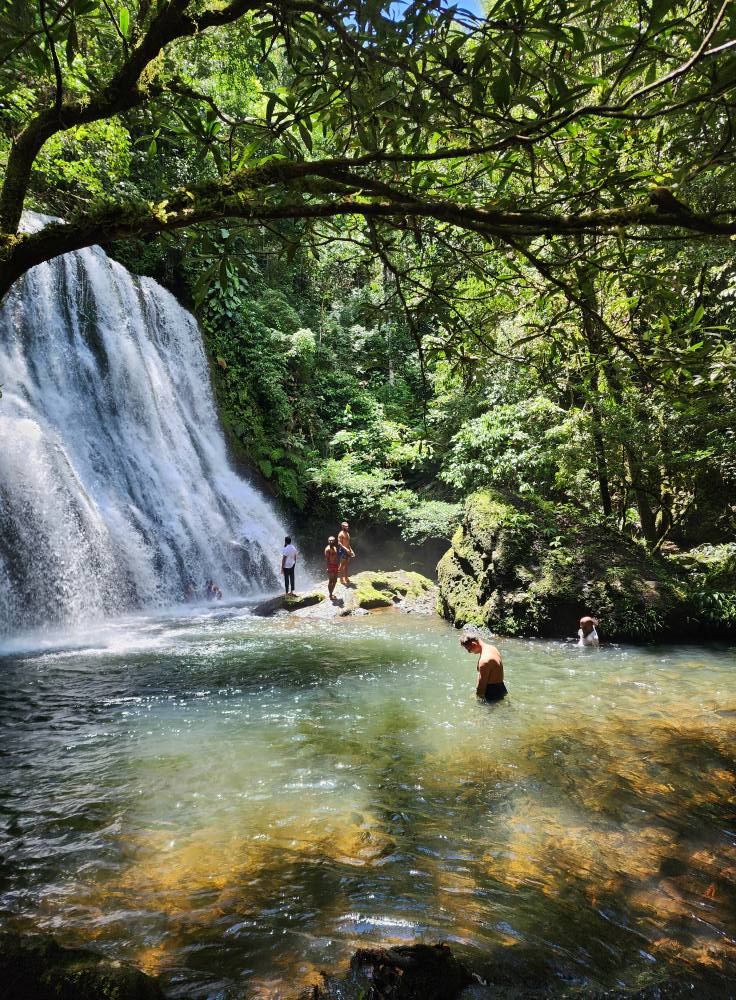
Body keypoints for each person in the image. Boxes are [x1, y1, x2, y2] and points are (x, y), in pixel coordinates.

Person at [459, 628, 507, 702]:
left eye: (468, 649)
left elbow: (482, 685)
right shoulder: (493, 648)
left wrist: (478, 698)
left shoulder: (484, 660)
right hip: (501, 688)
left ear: (474, 644)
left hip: (491, 693)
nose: (469, 652)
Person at [337, 521, 355, 586]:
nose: (347, 527)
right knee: (341, 565)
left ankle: (346, 578)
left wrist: (351, 550)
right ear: (342, 527)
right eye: (345, 526)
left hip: (347, 550)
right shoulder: (341, 534)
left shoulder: (347, 533)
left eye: (347, 526)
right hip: (343, 551)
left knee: (346, 565)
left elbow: (348, 543)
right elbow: (339, 543)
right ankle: (341, 579)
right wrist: (346, 549)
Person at [324, 536, 340, 600]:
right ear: (328, 541)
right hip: (330, 566)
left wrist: (338, 566)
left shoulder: (335, 548)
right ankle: (330, 595)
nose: (331, 542)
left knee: (335, 580)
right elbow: (327, 559)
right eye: (330, 541)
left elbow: (336, 557)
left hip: (335, 565)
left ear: (334, 541)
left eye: (332, 541)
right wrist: (328, 567)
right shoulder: (327, 549)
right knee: (331, 580)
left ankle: (331, 593)